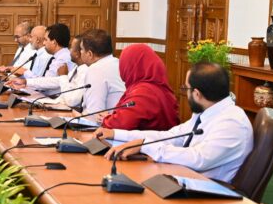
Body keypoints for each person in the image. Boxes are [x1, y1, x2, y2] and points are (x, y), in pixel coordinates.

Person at [101, 63, 253, 182]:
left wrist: (145, 146)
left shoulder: (232, 122)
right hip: (186, 177)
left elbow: (199, 158)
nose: (186, 93)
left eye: (186, 89)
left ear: (197, 94)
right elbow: (172, 136)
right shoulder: (207, 112)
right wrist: (117, 134)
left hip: (209, 193)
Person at [97, 44, 180, 131]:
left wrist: (106, 120)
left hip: (144, 139)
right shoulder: (160, 87)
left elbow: (120, 124)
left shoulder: (143, 92)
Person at [7, 34, 89, 109]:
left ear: (78, 53)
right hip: (56, 103)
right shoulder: (77, 68)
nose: (69, 50)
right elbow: (54, 81)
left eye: (71, 48)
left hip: (68, 109)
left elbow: (72, 101)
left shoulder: (85, 71)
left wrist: (63, 76)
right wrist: (25, 82)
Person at [79, 28, 125, 119]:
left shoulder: (96, 69)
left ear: (90, 54)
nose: (80, 52)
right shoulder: (118, 63)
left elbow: (94, 115)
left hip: (106, 125)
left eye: (81, 49)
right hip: (119, 121)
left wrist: (76, 117)